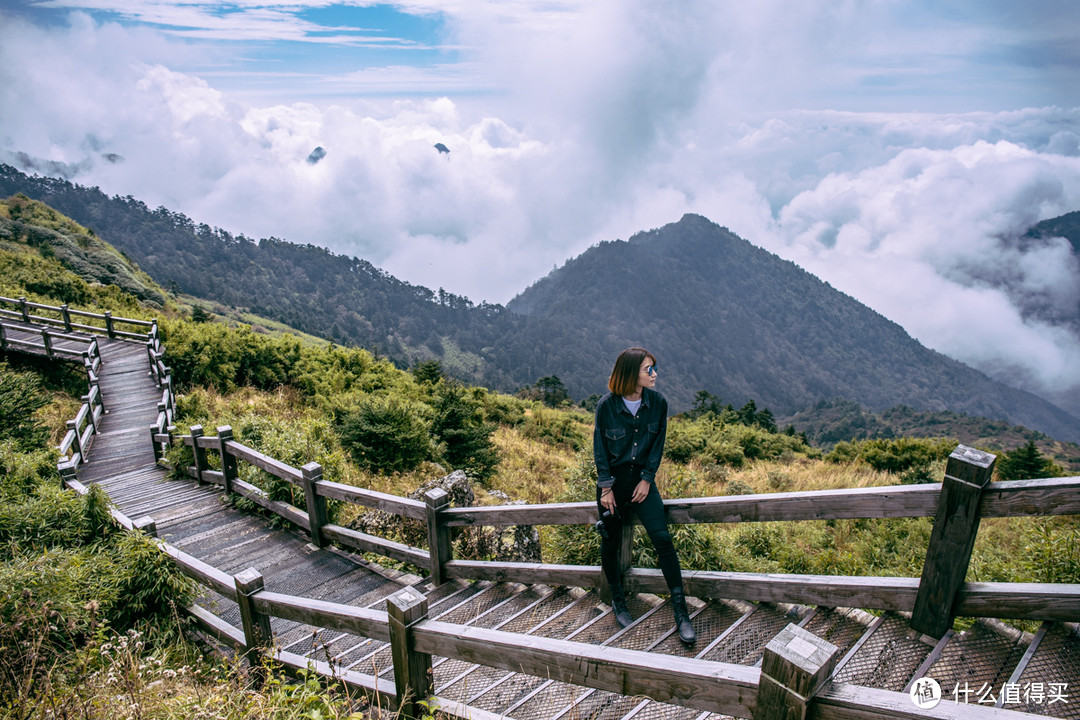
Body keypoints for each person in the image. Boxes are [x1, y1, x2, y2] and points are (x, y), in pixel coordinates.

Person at [593, 347, 696, 644]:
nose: (654, 374)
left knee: (662, 539)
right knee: (610, 540)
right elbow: (600, 449)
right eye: (647, 369)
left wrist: (648, 480)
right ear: (630, 374)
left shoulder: (658, 403)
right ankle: (618, 601)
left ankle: (681, 611)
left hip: (643, 483)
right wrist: (606, 488)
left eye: (654, 368)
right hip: (613, 485)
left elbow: (658, 444)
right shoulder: (607, 406)